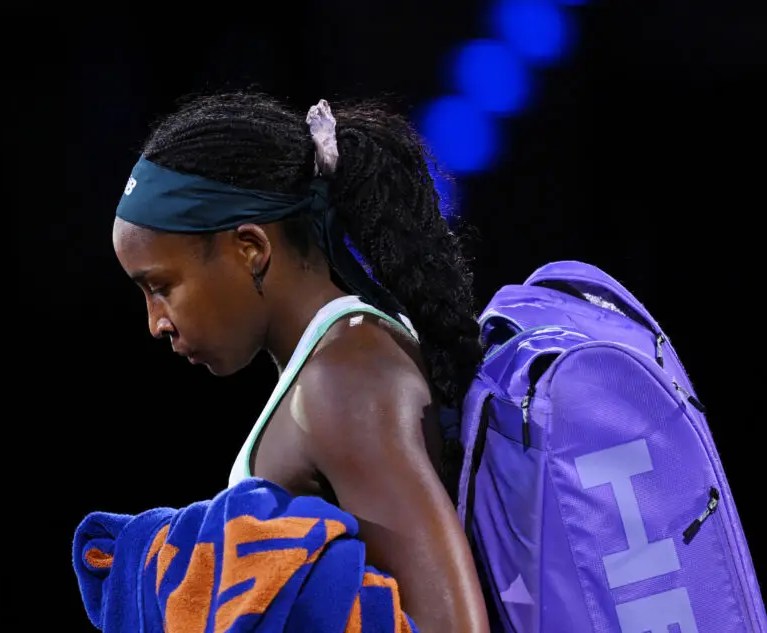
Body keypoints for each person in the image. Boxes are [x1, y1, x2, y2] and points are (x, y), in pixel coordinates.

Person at [111, 92, 490, 633]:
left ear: (249, 249)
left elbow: (454, 629)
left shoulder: (342, 382)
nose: (156, 322)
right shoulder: (337, 361)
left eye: (161, 287)